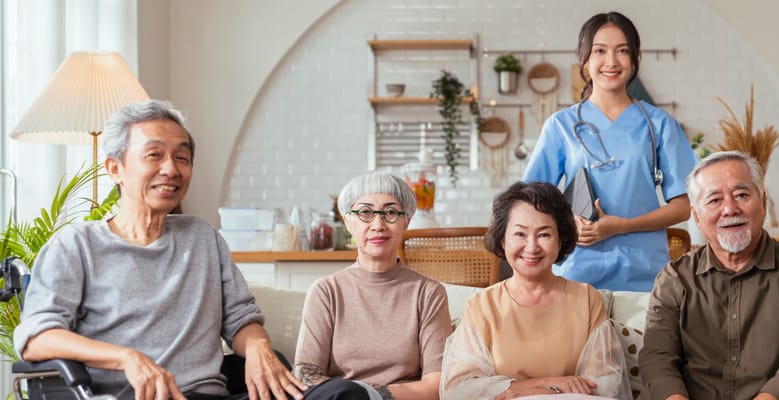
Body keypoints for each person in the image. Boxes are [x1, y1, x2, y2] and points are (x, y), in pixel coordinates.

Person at [13, 100, 306, 400]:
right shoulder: (76, 245)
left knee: (341, 393)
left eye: (182, 158)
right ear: (115, 168)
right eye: (154, 155)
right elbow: (36, 337)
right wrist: (128, 358)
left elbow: (241, 319)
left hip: (213, 395)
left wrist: (258, 347)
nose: (171, 169)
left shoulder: (202, 237)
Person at [638, 151, 779, 400]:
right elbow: (657, 355)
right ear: (697, 216)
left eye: (742, 195)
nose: (730, 209)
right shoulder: (674, 278)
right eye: (714, 200)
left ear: (763, 202)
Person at [522, 11, 697, 292]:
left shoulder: (659, 124)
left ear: (635, 58)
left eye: (622, 51)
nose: (611, 62)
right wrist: (566, 222)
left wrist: (623, 226)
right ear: (585, 59)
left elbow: (684, 206)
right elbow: (529, 202)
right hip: (576, 273)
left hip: (645, 274)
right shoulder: (561, 126)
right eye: (600, 51)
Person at [440, 181, 629, 400]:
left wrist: (516, 390)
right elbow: (459, 388)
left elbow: (604, 384)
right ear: (503, 240)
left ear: (561, 241)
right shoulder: (482, 305)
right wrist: (547, 383)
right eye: (520, 234)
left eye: (544, 235)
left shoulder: (587, 299)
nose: (531, 247)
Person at [293, 171, 452, 400]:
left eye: (390, 213)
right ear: (348, 222)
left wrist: (368, 396)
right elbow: (305, 373)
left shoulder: (428, 294)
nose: (378, 225)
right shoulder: (326, 291)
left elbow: (436, 384)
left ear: (406, 221)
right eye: (365, 212)